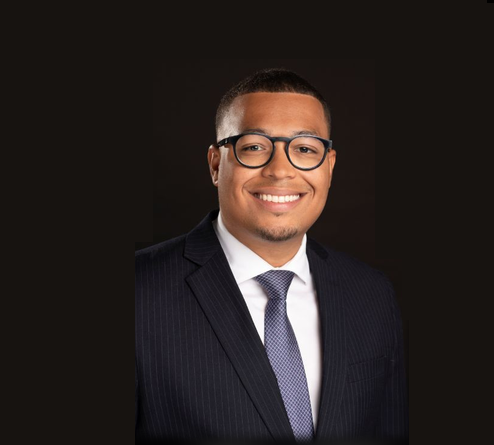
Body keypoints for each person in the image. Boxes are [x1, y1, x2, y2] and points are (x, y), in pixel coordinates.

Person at [136, 68, 407, 443]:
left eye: (305, 149)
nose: (280, 170)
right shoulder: (139, 292)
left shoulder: (372, 293)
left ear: (329, 167)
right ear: (216, 165)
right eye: (254, 147)